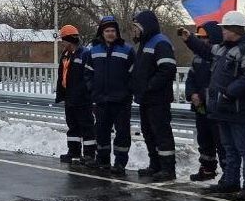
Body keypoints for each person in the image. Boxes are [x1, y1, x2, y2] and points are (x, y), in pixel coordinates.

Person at [182, 10, 245, 201]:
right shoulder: (223, 48)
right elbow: (205, 50)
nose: (223, 32)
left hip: (239, 109)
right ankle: (231, 182)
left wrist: (228, 92)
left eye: (225, 28)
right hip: (223, 109)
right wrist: (189, 39)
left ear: (235, 30)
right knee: (229, 148)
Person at [84, 16, 135, 176]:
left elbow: (133, 75)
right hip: (101, 100)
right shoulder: (93, 50)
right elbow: (87, 73)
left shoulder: (127, 50)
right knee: (101, 132)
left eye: (113, 31)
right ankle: (103, 160)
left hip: (121, 101)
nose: (110, 33)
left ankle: (120, 163)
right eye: (107, 31)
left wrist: (127, 92)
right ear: (102, 32)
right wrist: (92, 90)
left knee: (122, 133)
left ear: (117, 32)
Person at [132, 10, 177, 181]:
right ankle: (155, 165)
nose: (135, 31)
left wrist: (149, 87)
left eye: (137, 27)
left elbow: (167, 69)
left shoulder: (160, 42)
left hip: (158, 99)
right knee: (148, 132)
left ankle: (167, 168)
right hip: (147, 99)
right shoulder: (146, 43)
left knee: (161, 132)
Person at [182, 21, 226, 181]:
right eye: (199, 37)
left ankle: (228, 173)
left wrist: (203, 95)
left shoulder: (220, 56)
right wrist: (192, 94)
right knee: (204, 139)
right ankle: (207, 169)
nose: (202, 41)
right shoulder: (197, 58)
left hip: (216, 107)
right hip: (200, 107)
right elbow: (190, 78)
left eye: (205, 37)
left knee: (221, 141)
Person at [56, 25, 96, 164]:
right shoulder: (65, 55)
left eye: (63, 40)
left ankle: (90, 154)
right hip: (70, 97)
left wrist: (86, 92)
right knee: (72, 126)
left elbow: (89, 76)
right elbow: (62, 75)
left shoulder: (84, 54)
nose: (62, 43)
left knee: (86, 127)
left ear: (70, 40)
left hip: (83, 98)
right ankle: (73, 152)